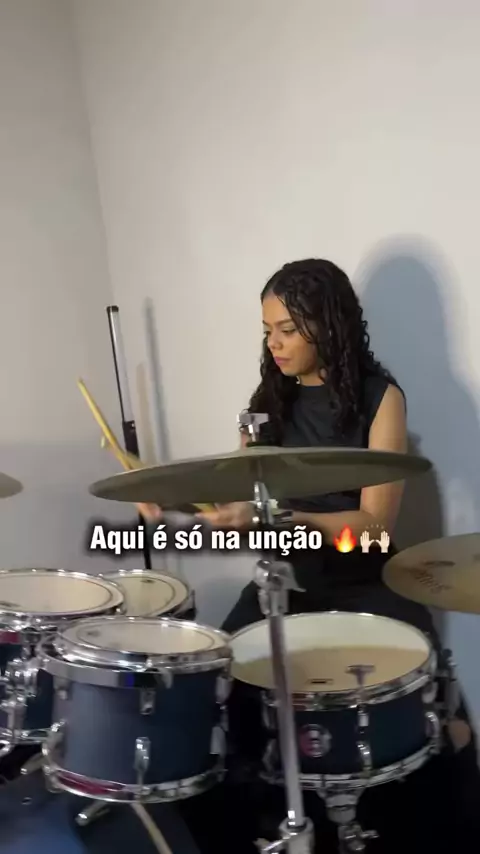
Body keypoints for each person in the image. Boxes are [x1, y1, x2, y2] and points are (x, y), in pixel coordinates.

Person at [138, 259, 480, 852]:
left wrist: (284, 520)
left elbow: (373, 526)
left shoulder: (381, 397)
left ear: (328, 324)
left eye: (288, 330)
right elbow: (238, 494)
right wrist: (173, 501)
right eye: (267, 330)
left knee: (427, 699)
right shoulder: (267, 399)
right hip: (286, 579)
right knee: (210, 684)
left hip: (365, 578)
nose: (273, 344)